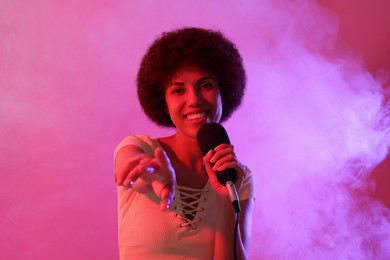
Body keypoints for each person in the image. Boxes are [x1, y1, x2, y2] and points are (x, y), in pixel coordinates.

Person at [114, 27, 255, 260]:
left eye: (206, 86)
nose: (194, 100)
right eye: (178, 90)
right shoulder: (140, 147)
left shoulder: (239, 178)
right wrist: (150, 173)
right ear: (163, 103)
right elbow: (131, 168)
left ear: (224, 92)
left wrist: (225, 199)